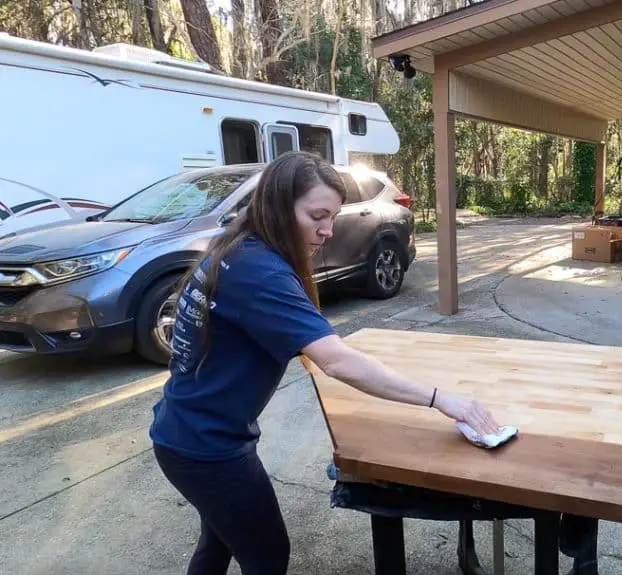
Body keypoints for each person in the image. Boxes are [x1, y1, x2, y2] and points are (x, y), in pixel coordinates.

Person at [149, 151, 501, 575]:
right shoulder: (260, 272)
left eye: (333, 217)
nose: (327, 230)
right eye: (317, 215)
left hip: (183, 432)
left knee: (220, 540)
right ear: (279, 206)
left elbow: (304, 346)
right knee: (267, 555)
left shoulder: (239, 245)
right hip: (207, 448)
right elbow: (333, 360)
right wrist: (442, 400)